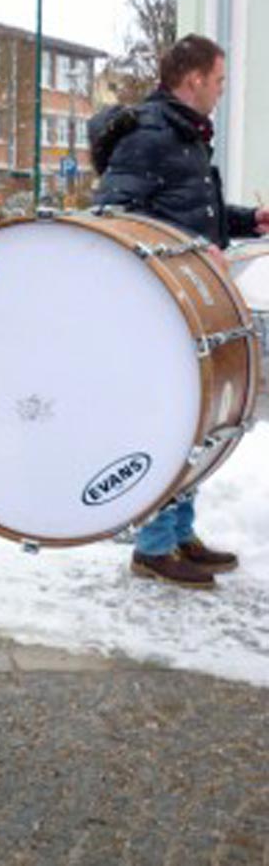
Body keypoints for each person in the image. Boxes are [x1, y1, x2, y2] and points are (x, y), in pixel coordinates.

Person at [93, 33, 269, 588]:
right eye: (218, 80)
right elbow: (117, 216)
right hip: (160, 308)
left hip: (191, 302)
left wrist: (251, 221)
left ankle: (179, 532)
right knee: (170, 422)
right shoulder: (149, 136)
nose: (221, 90)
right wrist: (192, 251)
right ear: (192, 80)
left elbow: (195, 213)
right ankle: (152, 545)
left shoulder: (184, 135)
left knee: (197, 423)